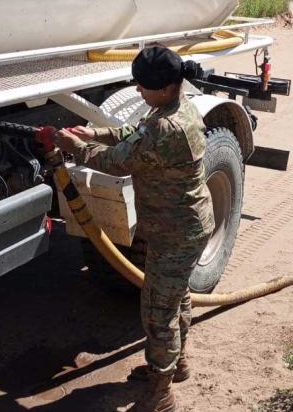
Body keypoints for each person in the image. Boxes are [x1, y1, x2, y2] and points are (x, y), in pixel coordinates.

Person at [53, 46, 214, 412]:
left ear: (165, 87)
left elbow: (116, 163)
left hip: (176, 233)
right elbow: (133, 132)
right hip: (182, 227)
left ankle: (160, 394)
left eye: (143, 86)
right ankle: (177, 365)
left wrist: (77, 146)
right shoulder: (176, 107)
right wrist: (94, 131)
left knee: (158, 313)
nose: (138, 91)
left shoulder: (166, 127)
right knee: (176, 299)